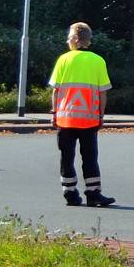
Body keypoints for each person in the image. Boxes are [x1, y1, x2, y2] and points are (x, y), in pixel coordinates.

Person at [50, 22, 115, 207]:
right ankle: (93, 194)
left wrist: (54, 112)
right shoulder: (98, 61)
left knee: (66, 157)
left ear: (77, 39)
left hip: (65, 120)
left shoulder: (63, 60)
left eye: (69, 36)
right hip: (89, 120)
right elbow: (102, 92)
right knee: (90, 157)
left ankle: (70, 194)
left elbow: (56, 90)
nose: (67, 40)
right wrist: (101, 116)